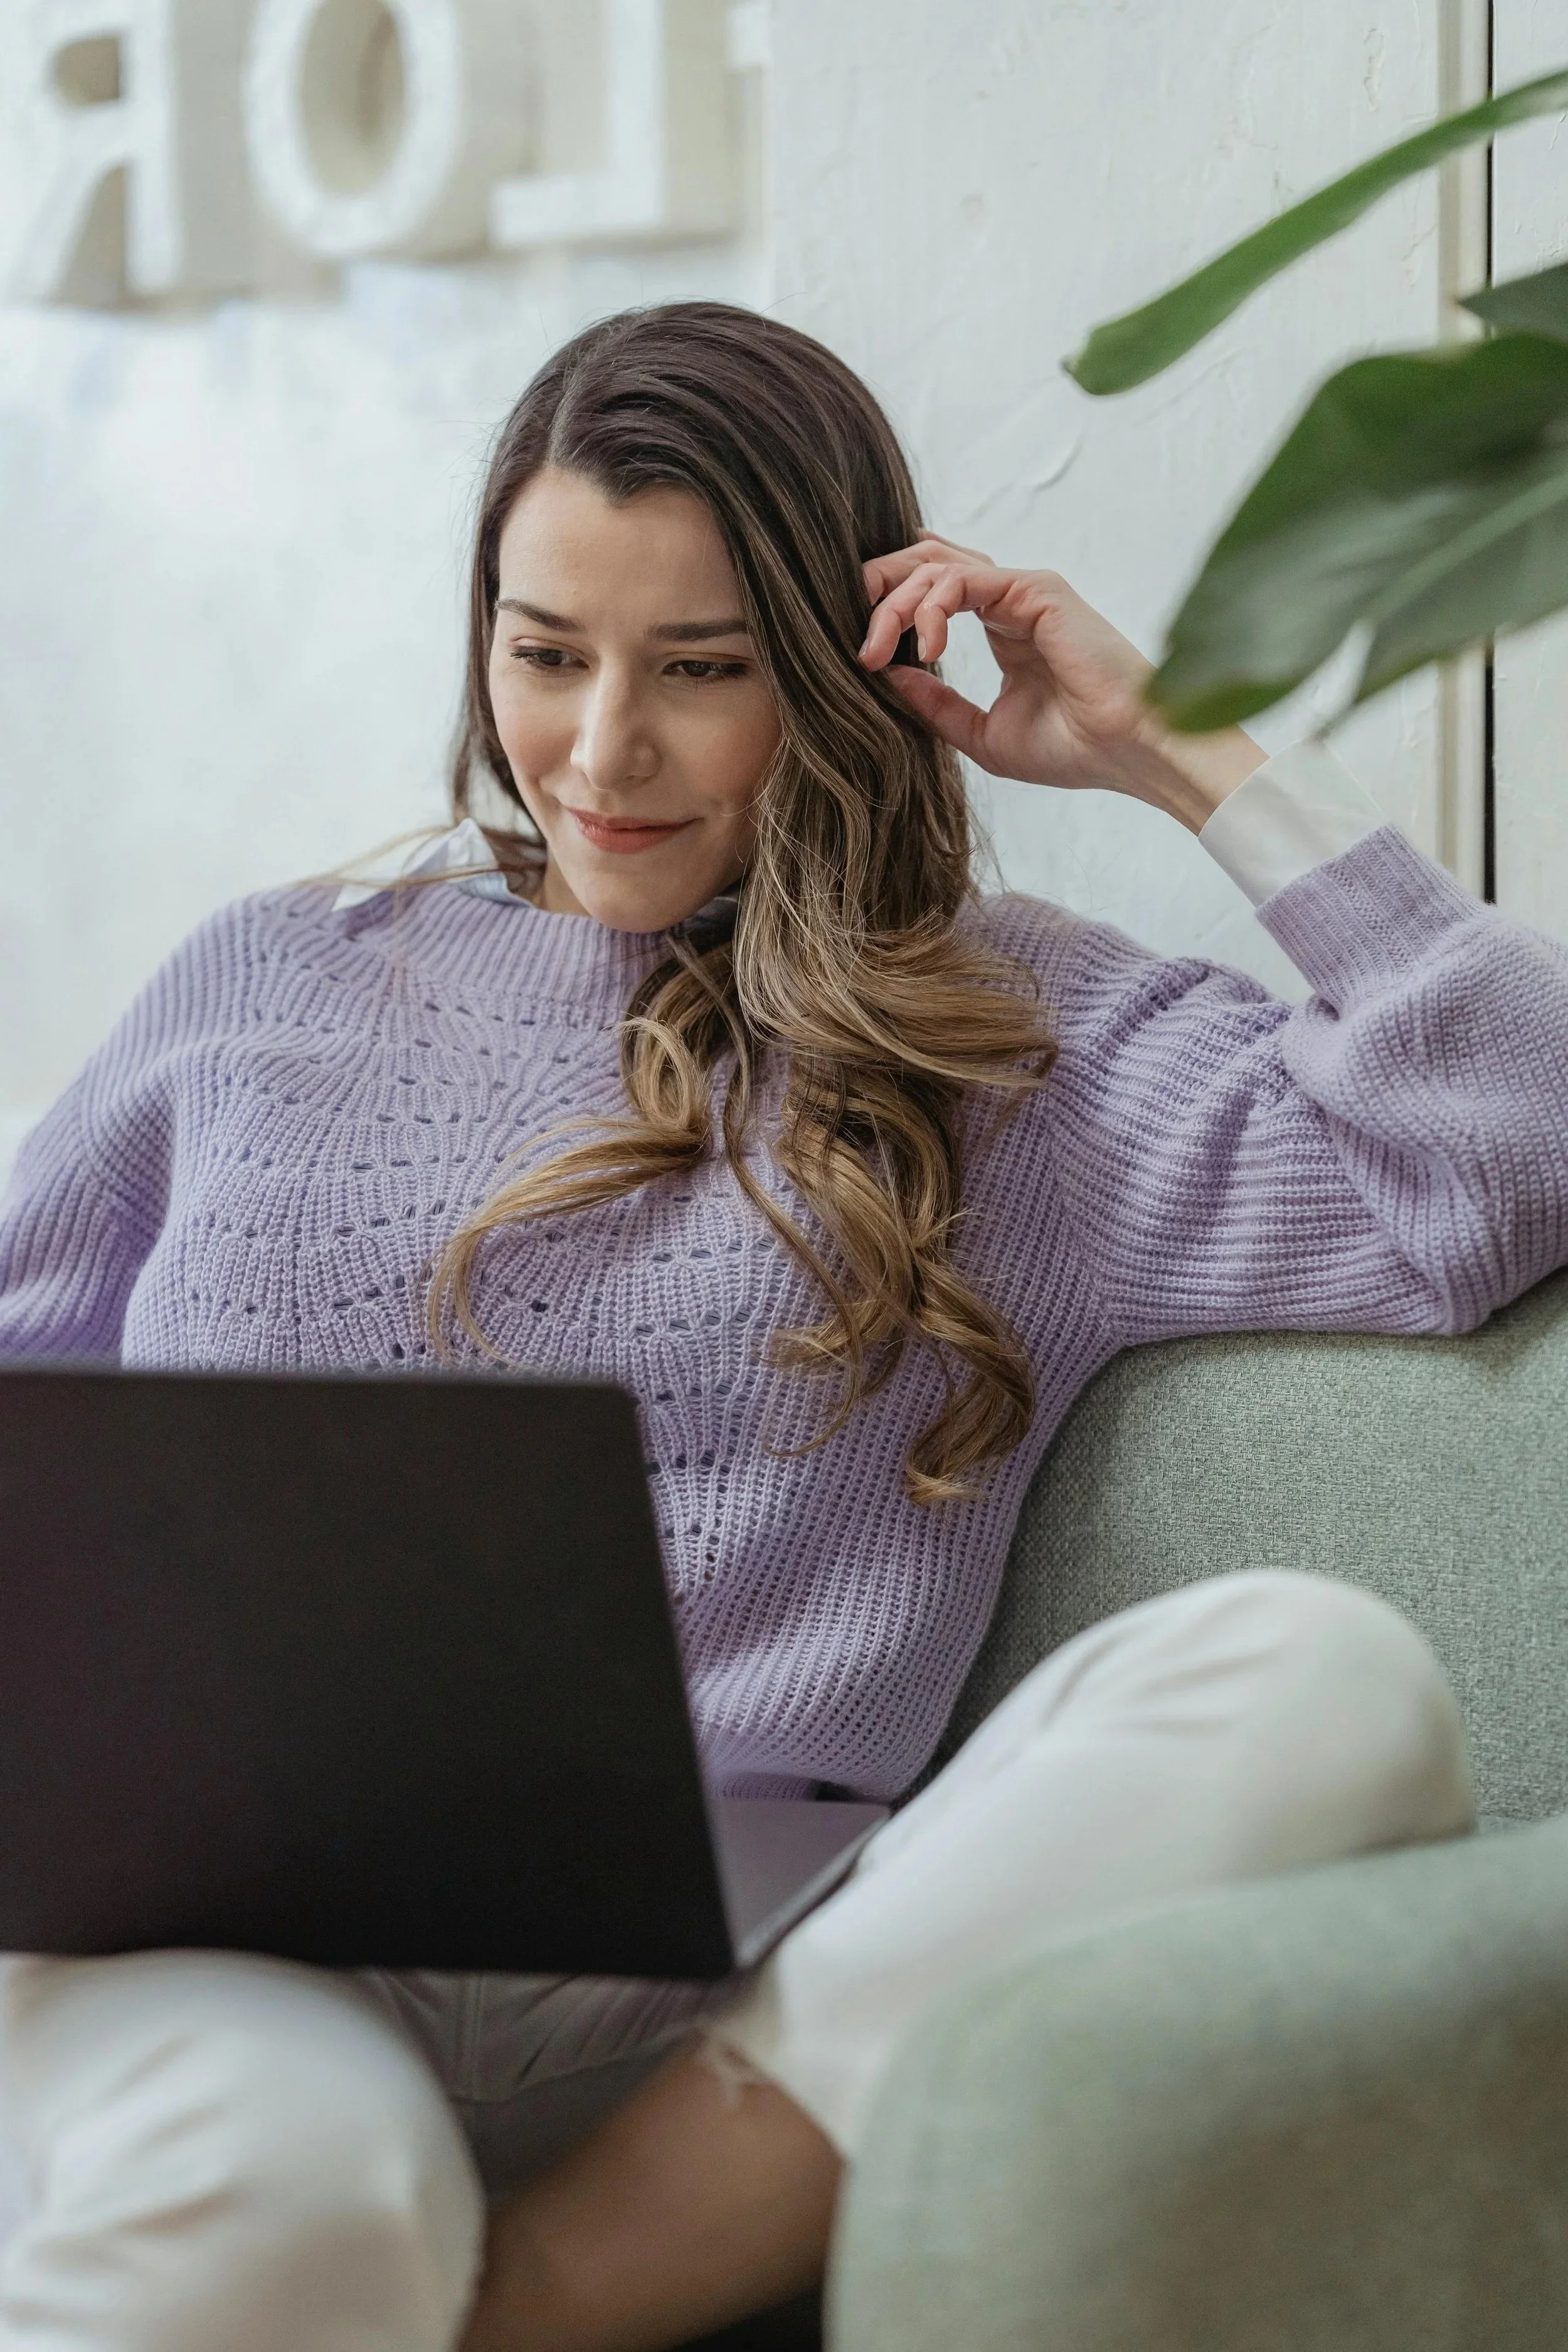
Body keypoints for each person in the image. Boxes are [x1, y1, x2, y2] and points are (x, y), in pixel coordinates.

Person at [0, 299, 1563, 2352]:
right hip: (227, 1960)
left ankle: (541, 2301)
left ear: (842, 676)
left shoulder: (1018, 1056)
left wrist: (1179, 744)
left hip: (726, 2021)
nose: (597, 749)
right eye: (544, 649)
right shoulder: (265, 985)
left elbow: (1511, 1136)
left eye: (701, 671)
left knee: (1324, 1675)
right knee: (280, 2200)